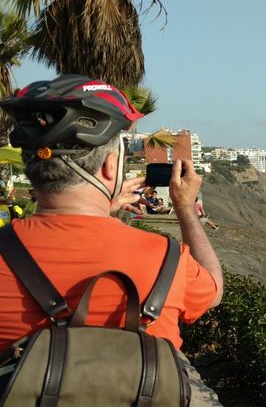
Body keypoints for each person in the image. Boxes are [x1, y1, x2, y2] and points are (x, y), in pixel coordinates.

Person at [0, 75, 224, 405]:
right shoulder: (166, 257)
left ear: (33, 168)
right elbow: (213, 289)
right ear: (110, 166)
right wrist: (185, 208)